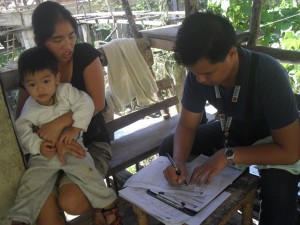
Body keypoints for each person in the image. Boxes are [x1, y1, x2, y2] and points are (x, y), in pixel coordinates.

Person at [159, 11, 300, 225]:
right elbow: (187, 125)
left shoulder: (269, 74)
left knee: (279, 199)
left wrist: (228, 155)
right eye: (194, 72)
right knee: (170, 146)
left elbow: (290, 151)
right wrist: (178, 161)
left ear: (232, 54)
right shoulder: (198, 75)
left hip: (272, 139)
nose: (200, 79)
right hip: (230, 129)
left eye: (208, 73)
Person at [15, 2, 123, 225]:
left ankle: (102, 207)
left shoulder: (84, 54)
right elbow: (24, 119)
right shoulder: (35, 67)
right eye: (58, 40)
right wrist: (49, 141)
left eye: (71, 36)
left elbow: (97, 102)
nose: (68, 45)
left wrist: (62, 125)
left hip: (89, 143)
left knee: (72, 202)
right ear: (41, 41)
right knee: (44, 212)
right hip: (48, 151)